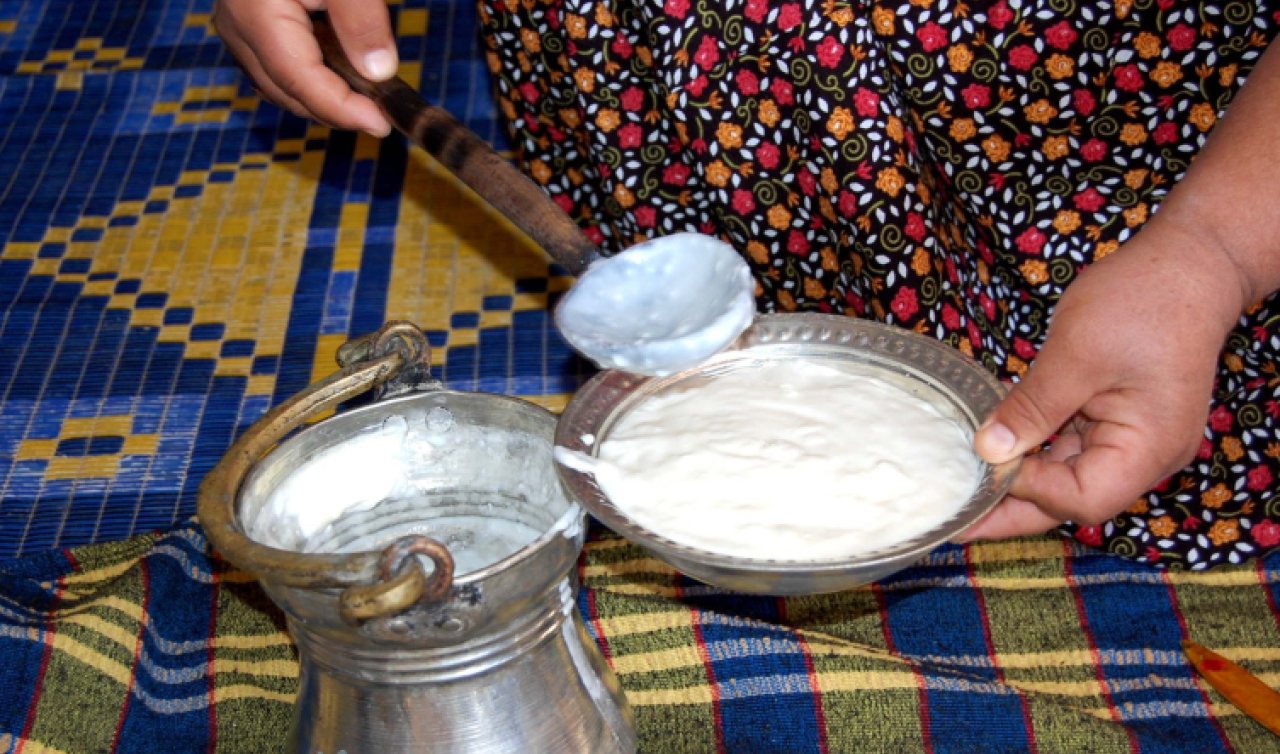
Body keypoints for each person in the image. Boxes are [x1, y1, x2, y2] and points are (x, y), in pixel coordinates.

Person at [215, 0, 1280, 569]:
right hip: (672, 116)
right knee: (694, 373)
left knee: (1133, 439)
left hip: (1123, 175)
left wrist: (1212, 253)